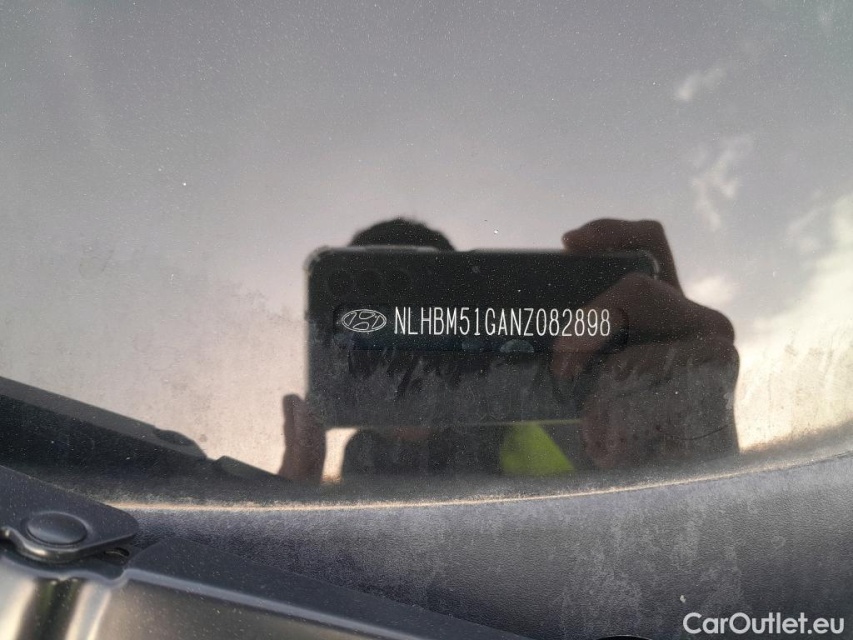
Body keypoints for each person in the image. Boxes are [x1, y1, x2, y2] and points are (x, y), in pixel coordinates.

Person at [279, 218, 738, 481]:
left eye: (433, 318)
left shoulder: (569, 414)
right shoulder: (360, 461)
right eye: (378, 335)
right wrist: (291, 510)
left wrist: (691, 455)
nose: (408, 358)